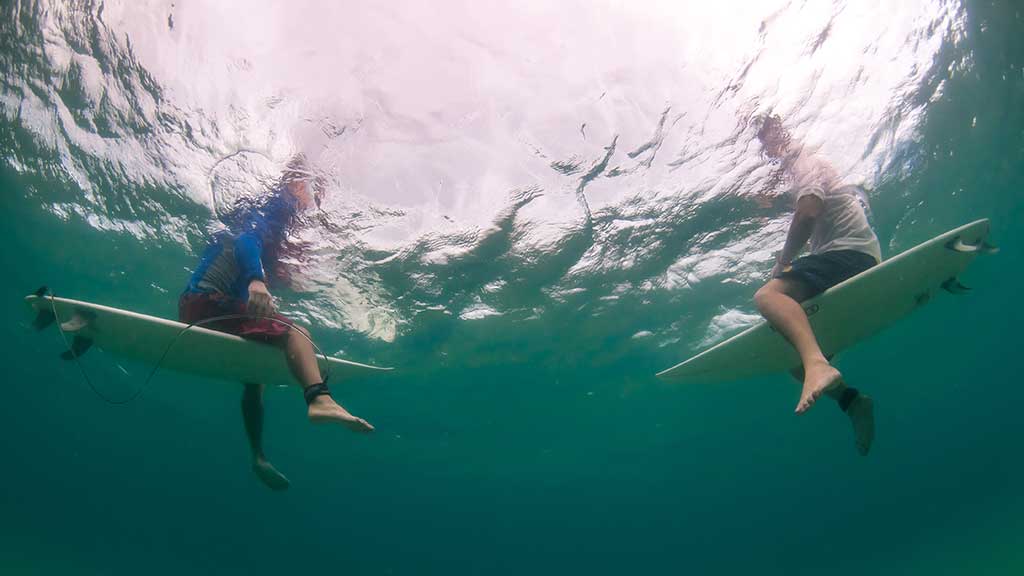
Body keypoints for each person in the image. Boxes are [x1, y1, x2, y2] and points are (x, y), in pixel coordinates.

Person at [179, 155, 374, 490]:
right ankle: (319, 399)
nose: (310, 200)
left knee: (256, 377)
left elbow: (247, 251)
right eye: (309, 191)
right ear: (296, 185)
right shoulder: (277, 205)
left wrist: (278, 276)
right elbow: (245, 242)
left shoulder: (263, 218)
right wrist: (258, 280)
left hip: (200, 306)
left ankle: (258, 456)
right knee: (297, 333)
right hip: (209, 302)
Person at [751, 114, 880, 455]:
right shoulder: (799, 169)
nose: (769, 148)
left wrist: (782, 263)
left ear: (781, 132)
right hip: (849, 259)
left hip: (851, 255)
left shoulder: (804, 160)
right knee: (796, 363)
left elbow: (807, 212)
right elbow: (806, 207)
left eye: (769, 138)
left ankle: (818, 365)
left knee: (767, 296)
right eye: (763, 143)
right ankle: (853, 402)